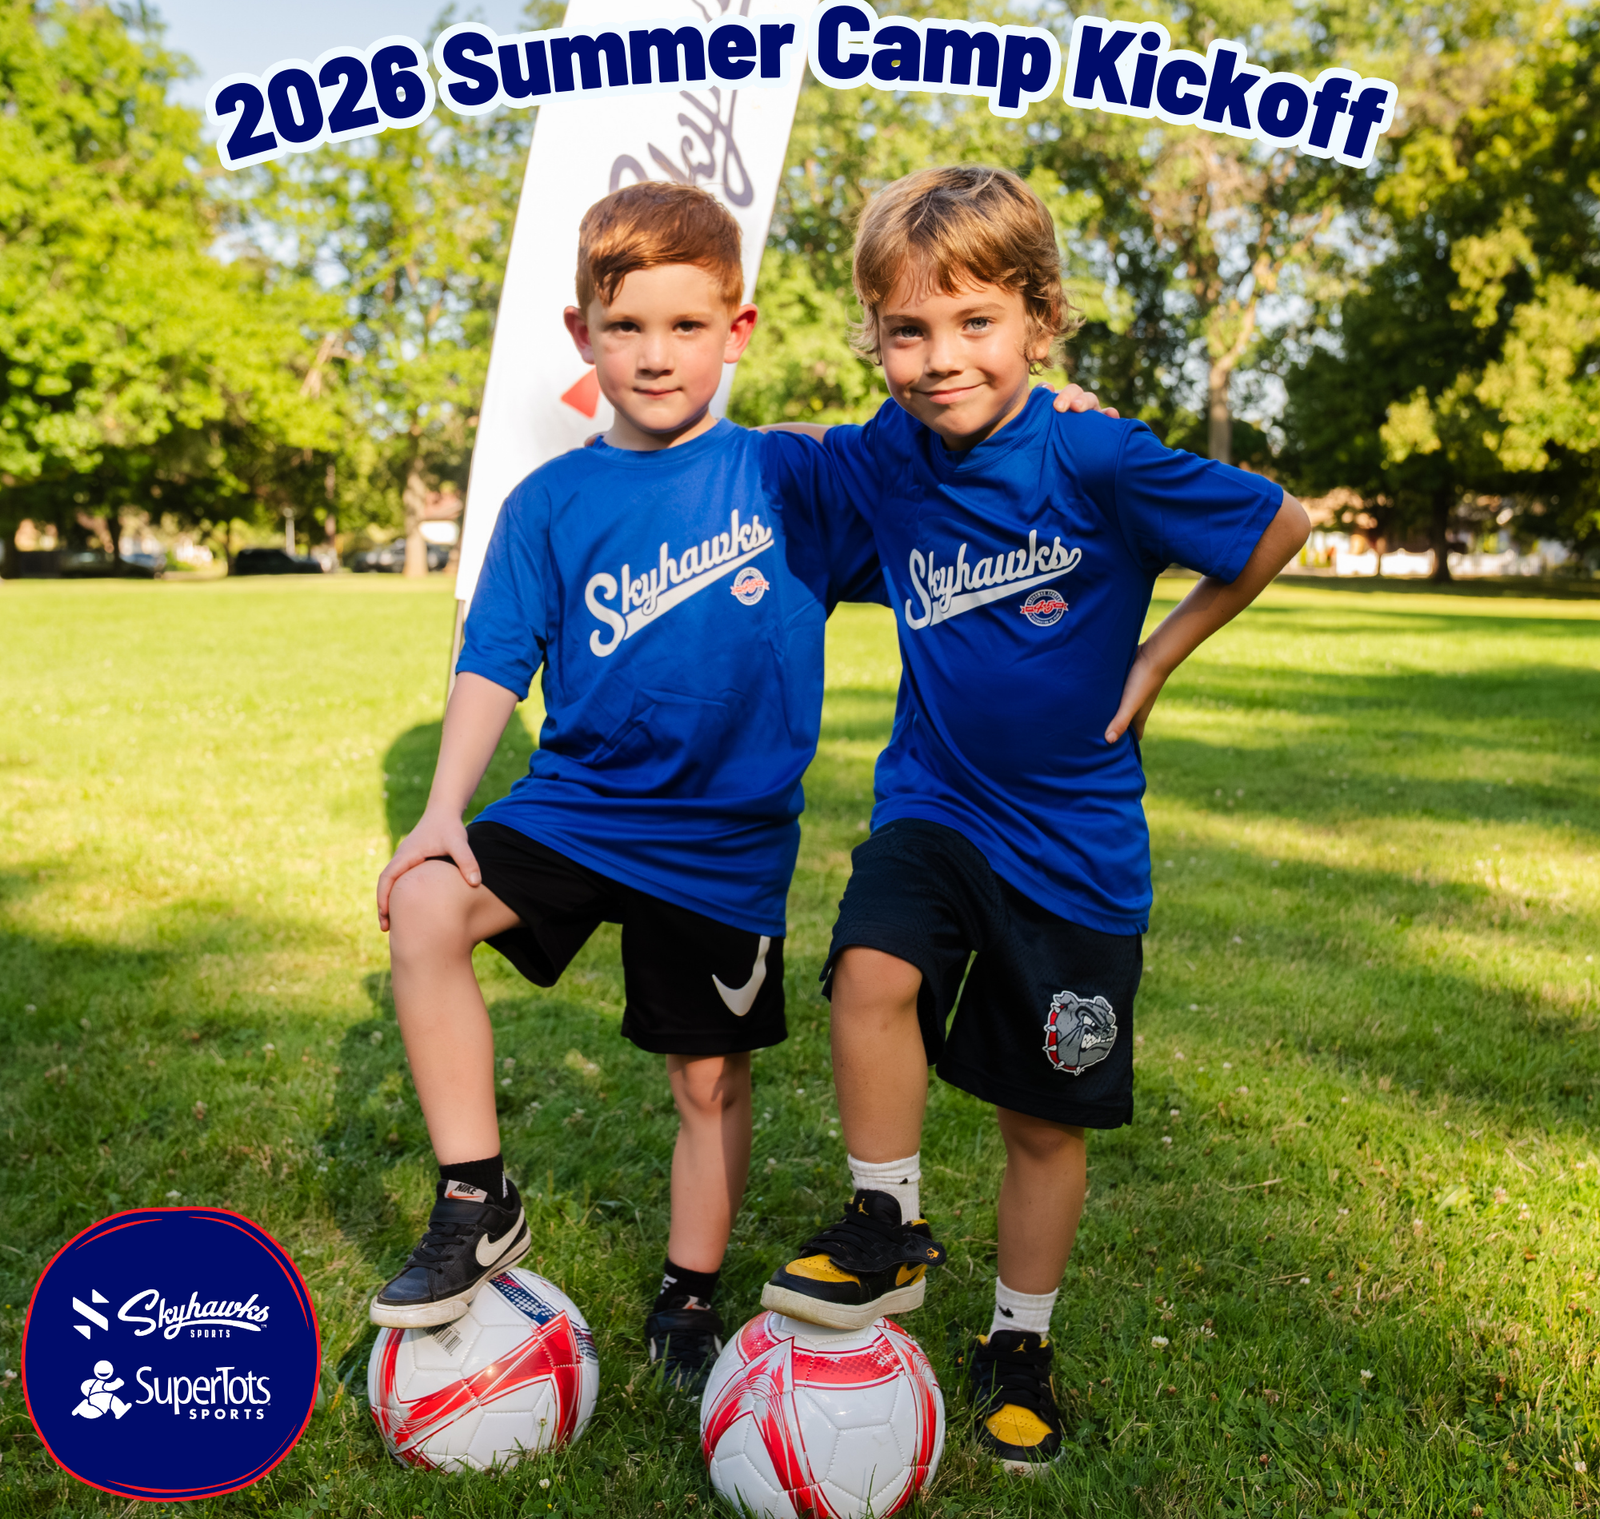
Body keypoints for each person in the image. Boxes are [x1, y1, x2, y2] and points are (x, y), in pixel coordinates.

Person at [368, 177, 1105, 1389]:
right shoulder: (547, 503)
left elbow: (958, 479)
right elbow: (494, 657)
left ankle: (687, 1290)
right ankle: (474, 1196)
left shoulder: (799, 477)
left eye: (685, 327)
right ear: (580, 335)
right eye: (625, 328)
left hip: (723, 845)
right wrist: (443, 810)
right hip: (579, 809)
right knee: (428, 905)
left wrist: (1059, 414)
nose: (655, 356)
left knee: (705, 1079)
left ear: (738, 329)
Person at [759, 165, 1310, 1471]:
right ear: (877, 337)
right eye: (907, 329)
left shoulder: (1096, 452)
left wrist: (1161, 653)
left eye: (974, 323)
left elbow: (1274, 525)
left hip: (1074, 856)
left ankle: (1019, 1341)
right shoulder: (888, 461)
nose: (941, 358)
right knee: (869, 971)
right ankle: (884, 1225)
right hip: (937, 808)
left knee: (1041, 1123)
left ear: (1040, 319)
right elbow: (769, 494)